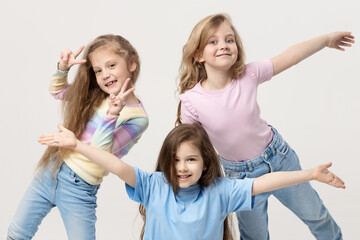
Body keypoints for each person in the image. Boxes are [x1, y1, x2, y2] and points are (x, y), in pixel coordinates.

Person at [176, 13, 354, 240]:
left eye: (229, 40)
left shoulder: (248, 74)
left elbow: (290, 56)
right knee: (254, 237)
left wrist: (326, 40)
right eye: (213, 41)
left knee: (316, 215)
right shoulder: (191, 101)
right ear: (198, 54)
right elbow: (189, 150)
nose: (224, 46)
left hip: (279, 159)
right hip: (240, 178)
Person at [38, 123, 345, 240]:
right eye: (175, 160)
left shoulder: (220, 191)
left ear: (205, 162)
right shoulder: (153, 185)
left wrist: (310, 174)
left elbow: (264, 182)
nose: (182, 168)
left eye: (191, 159)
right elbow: (117, 167)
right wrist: (78, 145)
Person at [7, 34, 149, 240]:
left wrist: (112, 114)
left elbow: (101, 153)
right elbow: (57, 92)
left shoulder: (137, 118)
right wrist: (62, 69)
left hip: (79, 186)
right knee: (16, 234)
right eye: (98, 70)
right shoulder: (96, 95)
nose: (105, 75)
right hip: (51, 171)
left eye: (111, 65)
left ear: (132, 63)